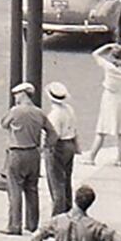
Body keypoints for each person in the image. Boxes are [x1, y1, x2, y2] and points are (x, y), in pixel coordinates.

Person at [0, 81, 51, 235]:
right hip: (33, 153)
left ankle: (14, 225)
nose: (15, 97)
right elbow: (52, 132)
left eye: (16, 95)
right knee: (32, 189)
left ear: (22, 94)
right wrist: (45, 147)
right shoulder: (39, 112)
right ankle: (32, 224)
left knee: (15, 190)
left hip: (17, 152)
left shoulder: (15, 111)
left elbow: (4, 124)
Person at [44, 79, 80, 216]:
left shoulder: (54, 114)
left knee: (56, 180)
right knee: (67, 179)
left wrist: (46, 147)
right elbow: (75, 129)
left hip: (59, 146)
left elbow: (55, 135)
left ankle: (57, 214)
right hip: (69, 142)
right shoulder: (69, 109)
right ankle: (68, 209)